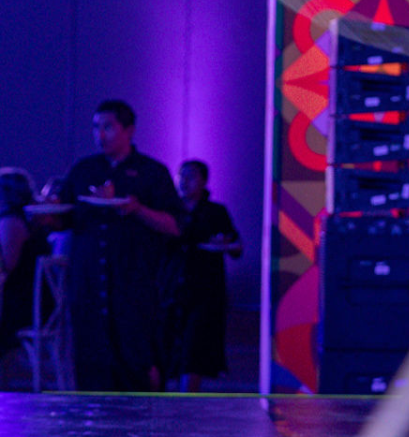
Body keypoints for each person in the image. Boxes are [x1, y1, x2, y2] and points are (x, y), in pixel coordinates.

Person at [46, 100, 185, 392]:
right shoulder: (84, 170)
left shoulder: (151, 172)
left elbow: (175, 226)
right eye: (96, 127)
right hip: (87, 286)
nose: (100, 135)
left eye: (108, 127)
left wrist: (137, 209)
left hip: (134, 284)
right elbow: (64, 218)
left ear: (129, 130)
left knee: (136, 362)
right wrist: (46, 213)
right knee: (91, 364)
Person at [172, 159, 240, 392]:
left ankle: (187, 399)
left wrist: (223, 243)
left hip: (205, 289)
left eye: (190, 176)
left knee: (195, 347)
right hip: (173, 286)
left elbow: (236, 246)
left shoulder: (215, 212)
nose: (184, 181)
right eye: (181, 175)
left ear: (203, 181)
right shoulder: (171, 210)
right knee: (173, 344)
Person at [0, 169, 45, 367]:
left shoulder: (11, 222)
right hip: (34, 299)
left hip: (24, 305)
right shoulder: (28, 219)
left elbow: (7, 267)